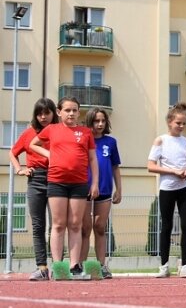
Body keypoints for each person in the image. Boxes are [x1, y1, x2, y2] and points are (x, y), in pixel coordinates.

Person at [29, 97, 98, 278]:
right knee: (58, 225)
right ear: (59, 112)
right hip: (56, 181)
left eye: (75, 110)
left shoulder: (85, 132)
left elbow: (92, 159)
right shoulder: (51, 129)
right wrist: (49, 154)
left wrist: (95, 183)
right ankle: (59, 268)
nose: (71, 113)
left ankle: (75, 266)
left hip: (79, 183)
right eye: (67, 110)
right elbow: (33, 144)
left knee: (75, 224)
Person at [10, 98, 58, 281]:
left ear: (54, 113)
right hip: (35, 179)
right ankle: (42, 268)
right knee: (38, 226)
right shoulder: (29, 133)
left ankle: (58, 265)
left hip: (56, 178)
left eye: (47, 112)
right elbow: (12, 153)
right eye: (40, 113)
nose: (43, 117)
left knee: (58, 225)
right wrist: (19, 169)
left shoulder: (58, 132)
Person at [147, 103, 186, 278]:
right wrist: (173, 171)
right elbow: (150, 166)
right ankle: (164, 265)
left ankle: (185, 264)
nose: (181, 126)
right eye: (178, 123)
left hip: (184, 188)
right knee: (166, 226)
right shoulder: (161, 140)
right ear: (169, 122)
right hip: (167, 189)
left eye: (184, 124)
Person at [80, 107, 122, 279]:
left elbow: (115, 167)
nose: (100, 124)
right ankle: (79, 265)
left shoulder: (110, 142)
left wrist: (119, 189)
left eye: (103, 121)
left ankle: (102, 265)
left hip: (105, 189)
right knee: (84, 228)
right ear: (90, 121)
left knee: (99, 227)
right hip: (84, 189)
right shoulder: (83, 139)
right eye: (97, 121)